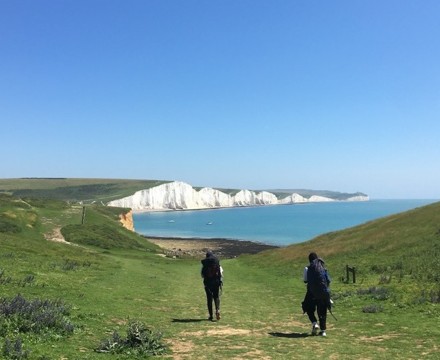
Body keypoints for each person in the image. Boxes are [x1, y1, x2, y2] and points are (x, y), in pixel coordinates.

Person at [302, 252, 331, 336]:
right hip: (323, 292)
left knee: (308, 307)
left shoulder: (307, 268)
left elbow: (305, 280)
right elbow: (328, 280)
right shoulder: (322, 267)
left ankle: (314, 323)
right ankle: (323, 331)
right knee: (322, 311)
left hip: (311, 292)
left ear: (309, 260)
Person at [201, 251, 223, 321]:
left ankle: (211, 316)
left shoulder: (205, 263)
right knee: (216, 296)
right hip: (216, 282)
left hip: (208, 283)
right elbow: (221, 272)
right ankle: (218, 310)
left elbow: (202, 275)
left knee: (209, 299)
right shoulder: (216, 262)